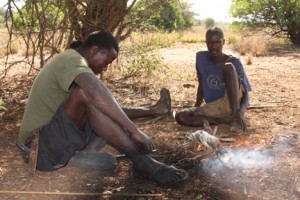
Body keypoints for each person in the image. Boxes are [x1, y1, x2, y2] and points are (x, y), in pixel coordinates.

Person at [17, 31, 188, 185]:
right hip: (39, 150)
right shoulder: (70, 59)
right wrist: (134, 130)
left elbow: (105, 108)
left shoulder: (72, 66)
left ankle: (127, 159)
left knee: (102, 106)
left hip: (52, 143)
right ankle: (142, 162)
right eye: (107, 61)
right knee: (87, 93)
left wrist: (143, 116)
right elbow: (93, 93)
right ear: (95, 50)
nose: (105, 67)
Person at [175, 27, 252, 132]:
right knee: (180, 116)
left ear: (223, 42)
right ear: (206, 42)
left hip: (232, 104)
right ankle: (225, 120)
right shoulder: (201, 58)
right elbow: (201, 84)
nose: (213, 46)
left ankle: (235, 117)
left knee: (228, 67)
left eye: (217, 42)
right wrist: (196, 108)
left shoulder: (234, 63)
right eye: (210, 43)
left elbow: (245, 93)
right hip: (214, 107)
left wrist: (240, 113)